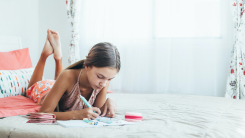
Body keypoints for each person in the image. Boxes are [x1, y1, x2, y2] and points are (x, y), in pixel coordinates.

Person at [25, 29, 120, 120]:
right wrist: (76, 115)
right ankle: (45, 55)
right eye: (100, 77)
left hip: (60, 85)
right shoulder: (68, 76)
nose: (104, 84)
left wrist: (109, 102)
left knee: (59, 80)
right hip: (44, 88)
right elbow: (43, 113)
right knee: (31, 88)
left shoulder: (103, 81)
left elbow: (97, 111)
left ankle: (58, 58)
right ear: (87, 65)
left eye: (109, 79)